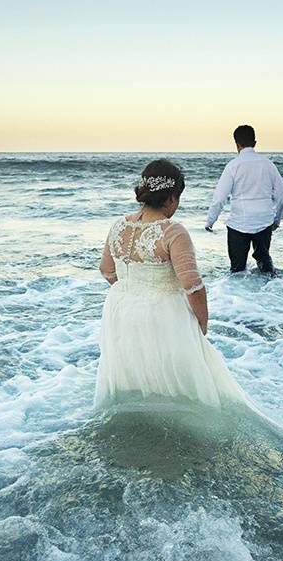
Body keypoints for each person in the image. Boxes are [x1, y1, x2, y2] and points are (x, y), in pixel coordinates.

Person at [94, 159, 257, 410]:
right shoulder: (173, 231)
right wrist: (202, 320)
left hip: (120, 309)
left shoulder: (118, 225)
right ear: (171, 198)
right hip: (164, 313)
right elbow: (192, 285)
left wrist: (132, 289)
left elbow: (106, 270)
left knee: (136, 370)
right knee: (179, 380)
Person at [205, 125, 283, 274]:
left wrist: (210, 221)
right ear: (255, 143)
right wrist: (276, 220)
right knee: (265, 267)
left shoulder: (233, 166)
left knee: (237, 270)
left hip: (239, 224)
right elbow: (282, 197)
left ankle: (239, 296)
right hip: (264, 222)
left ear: (237, 144)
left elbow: (219, 198)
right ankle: (271, 292)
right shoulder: (268, 164)